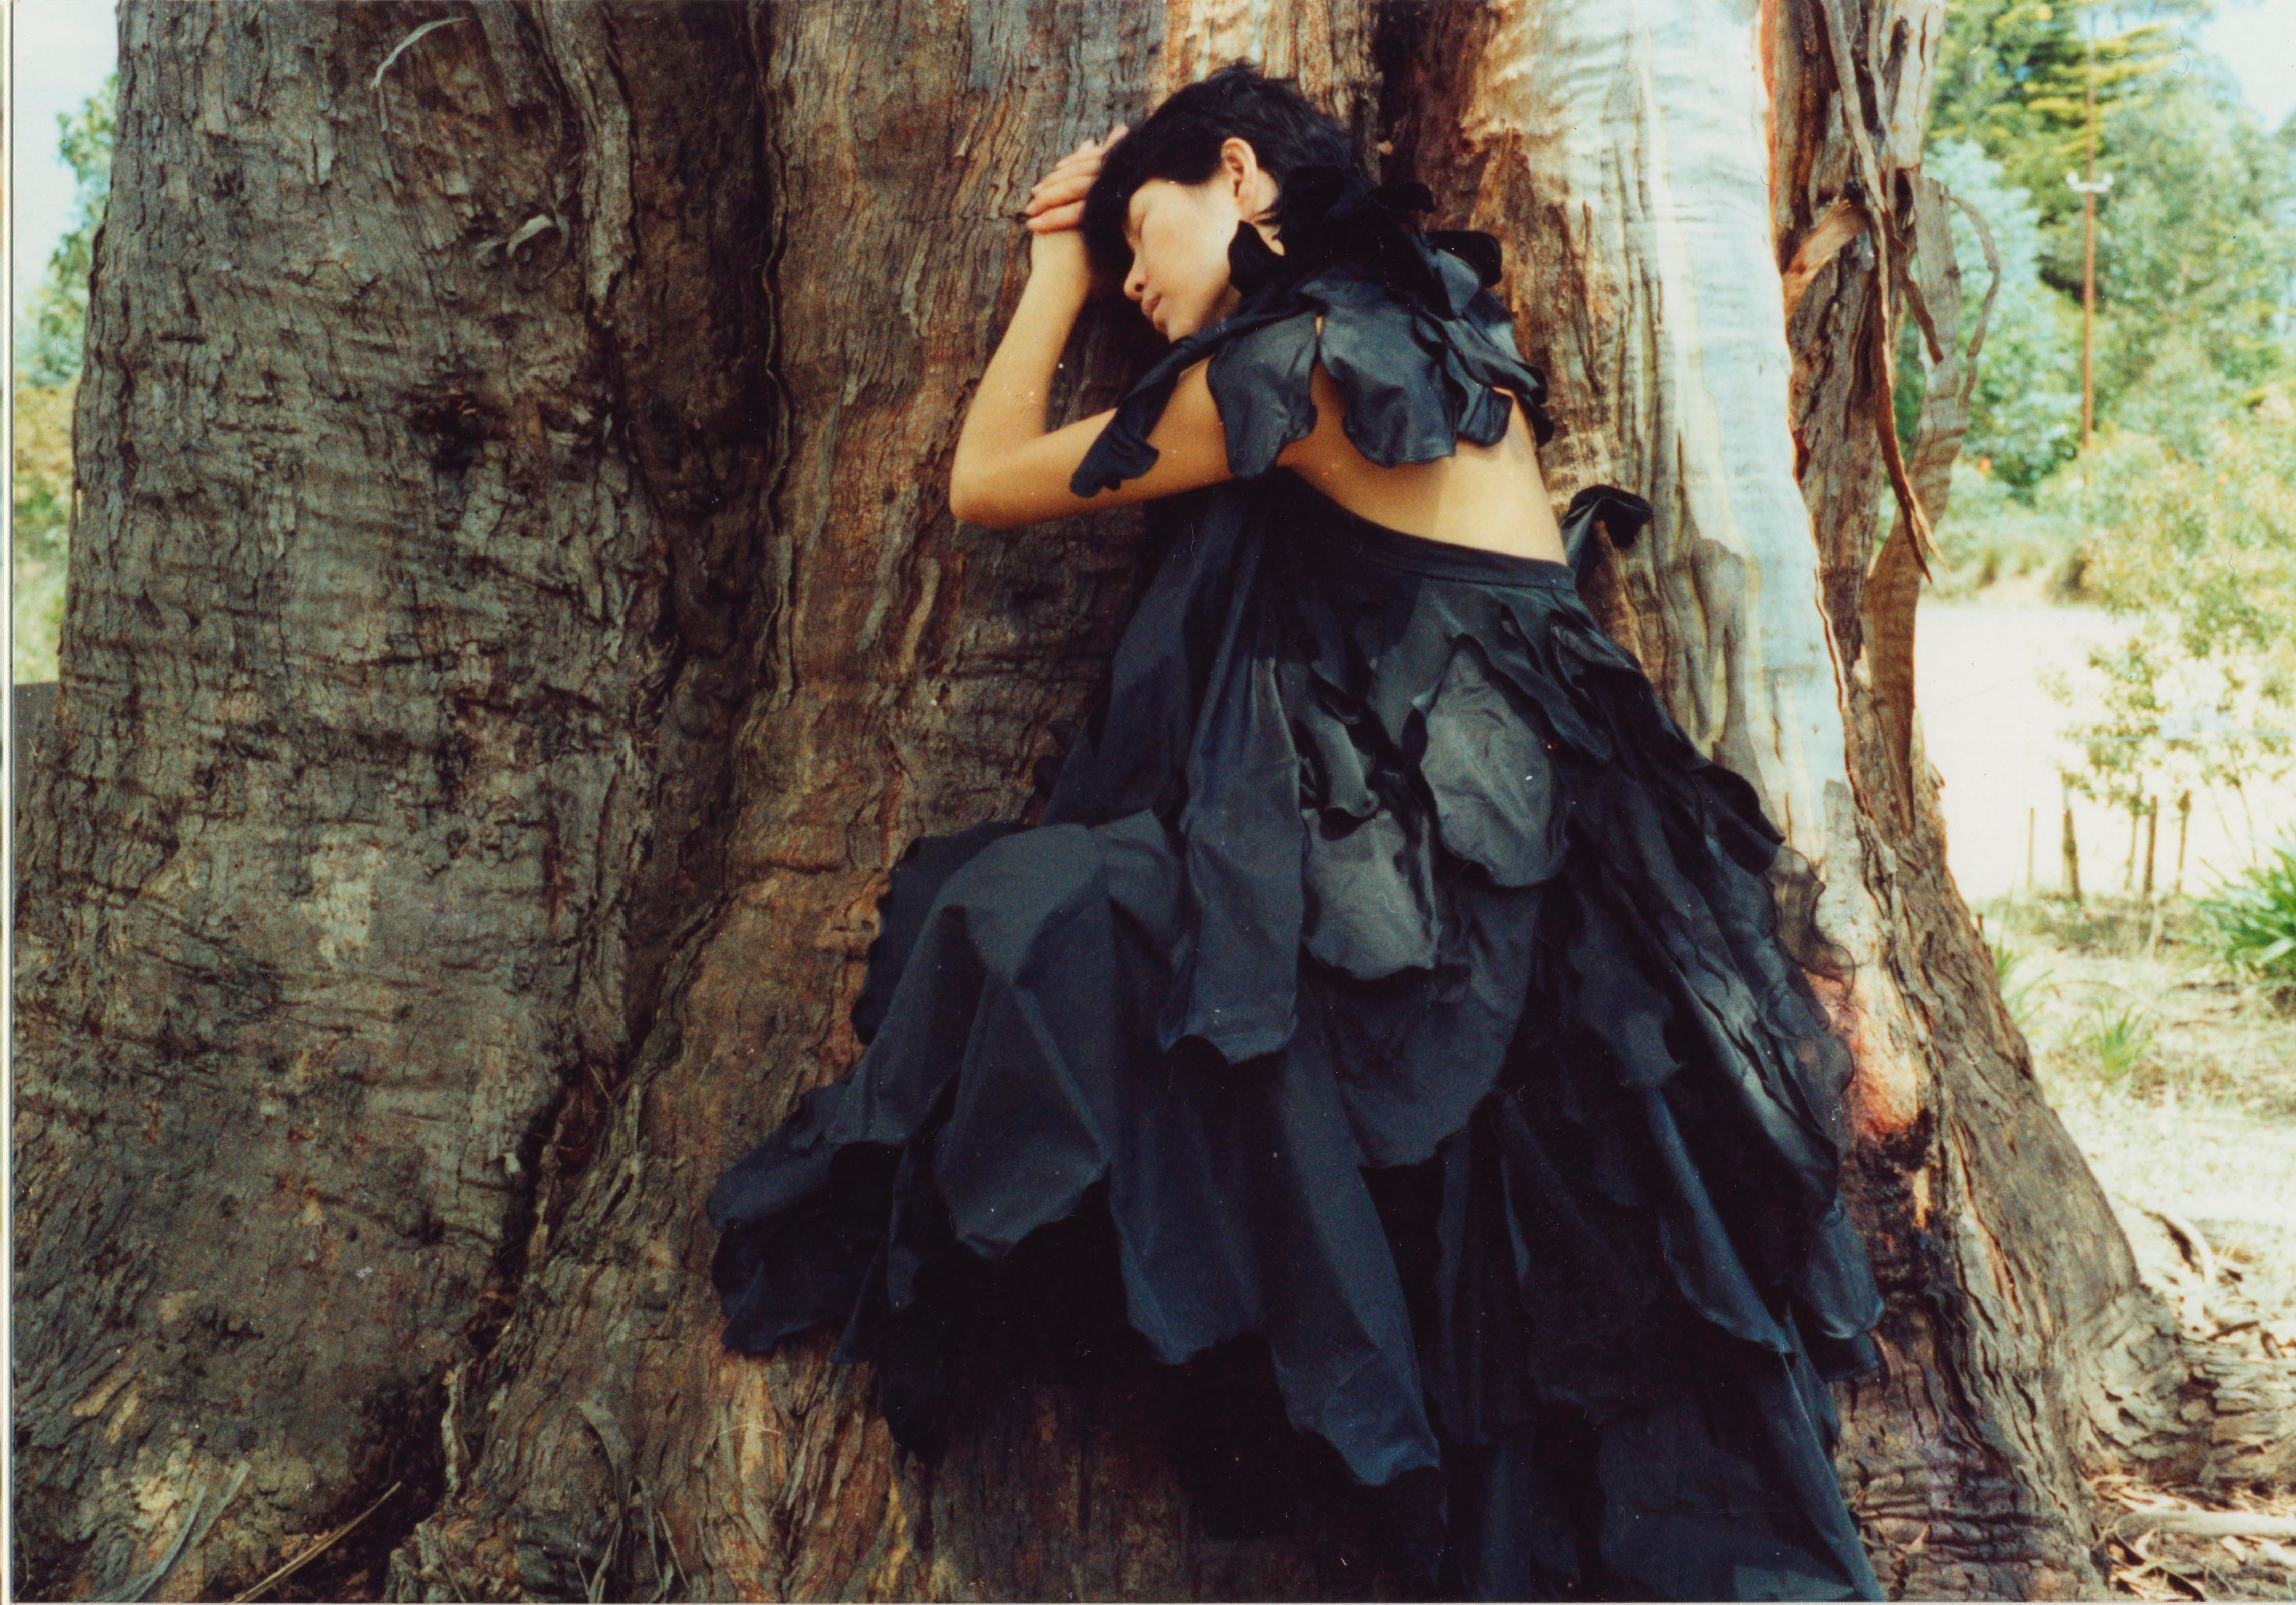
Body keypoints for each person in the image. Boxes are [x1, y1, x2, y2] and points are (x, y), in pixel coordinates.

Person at [707, 62, 1889, 1602]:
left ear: (1244, 178)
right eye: (1113, 250)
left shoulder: (1313, 358)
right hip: (1522, 814)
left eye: (1148, 224)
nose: (1135, 272)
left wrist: (1052, 276)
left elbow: (985, 479)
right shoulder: (1413, 324)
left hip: (1455, 835)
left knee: (1038, 922)